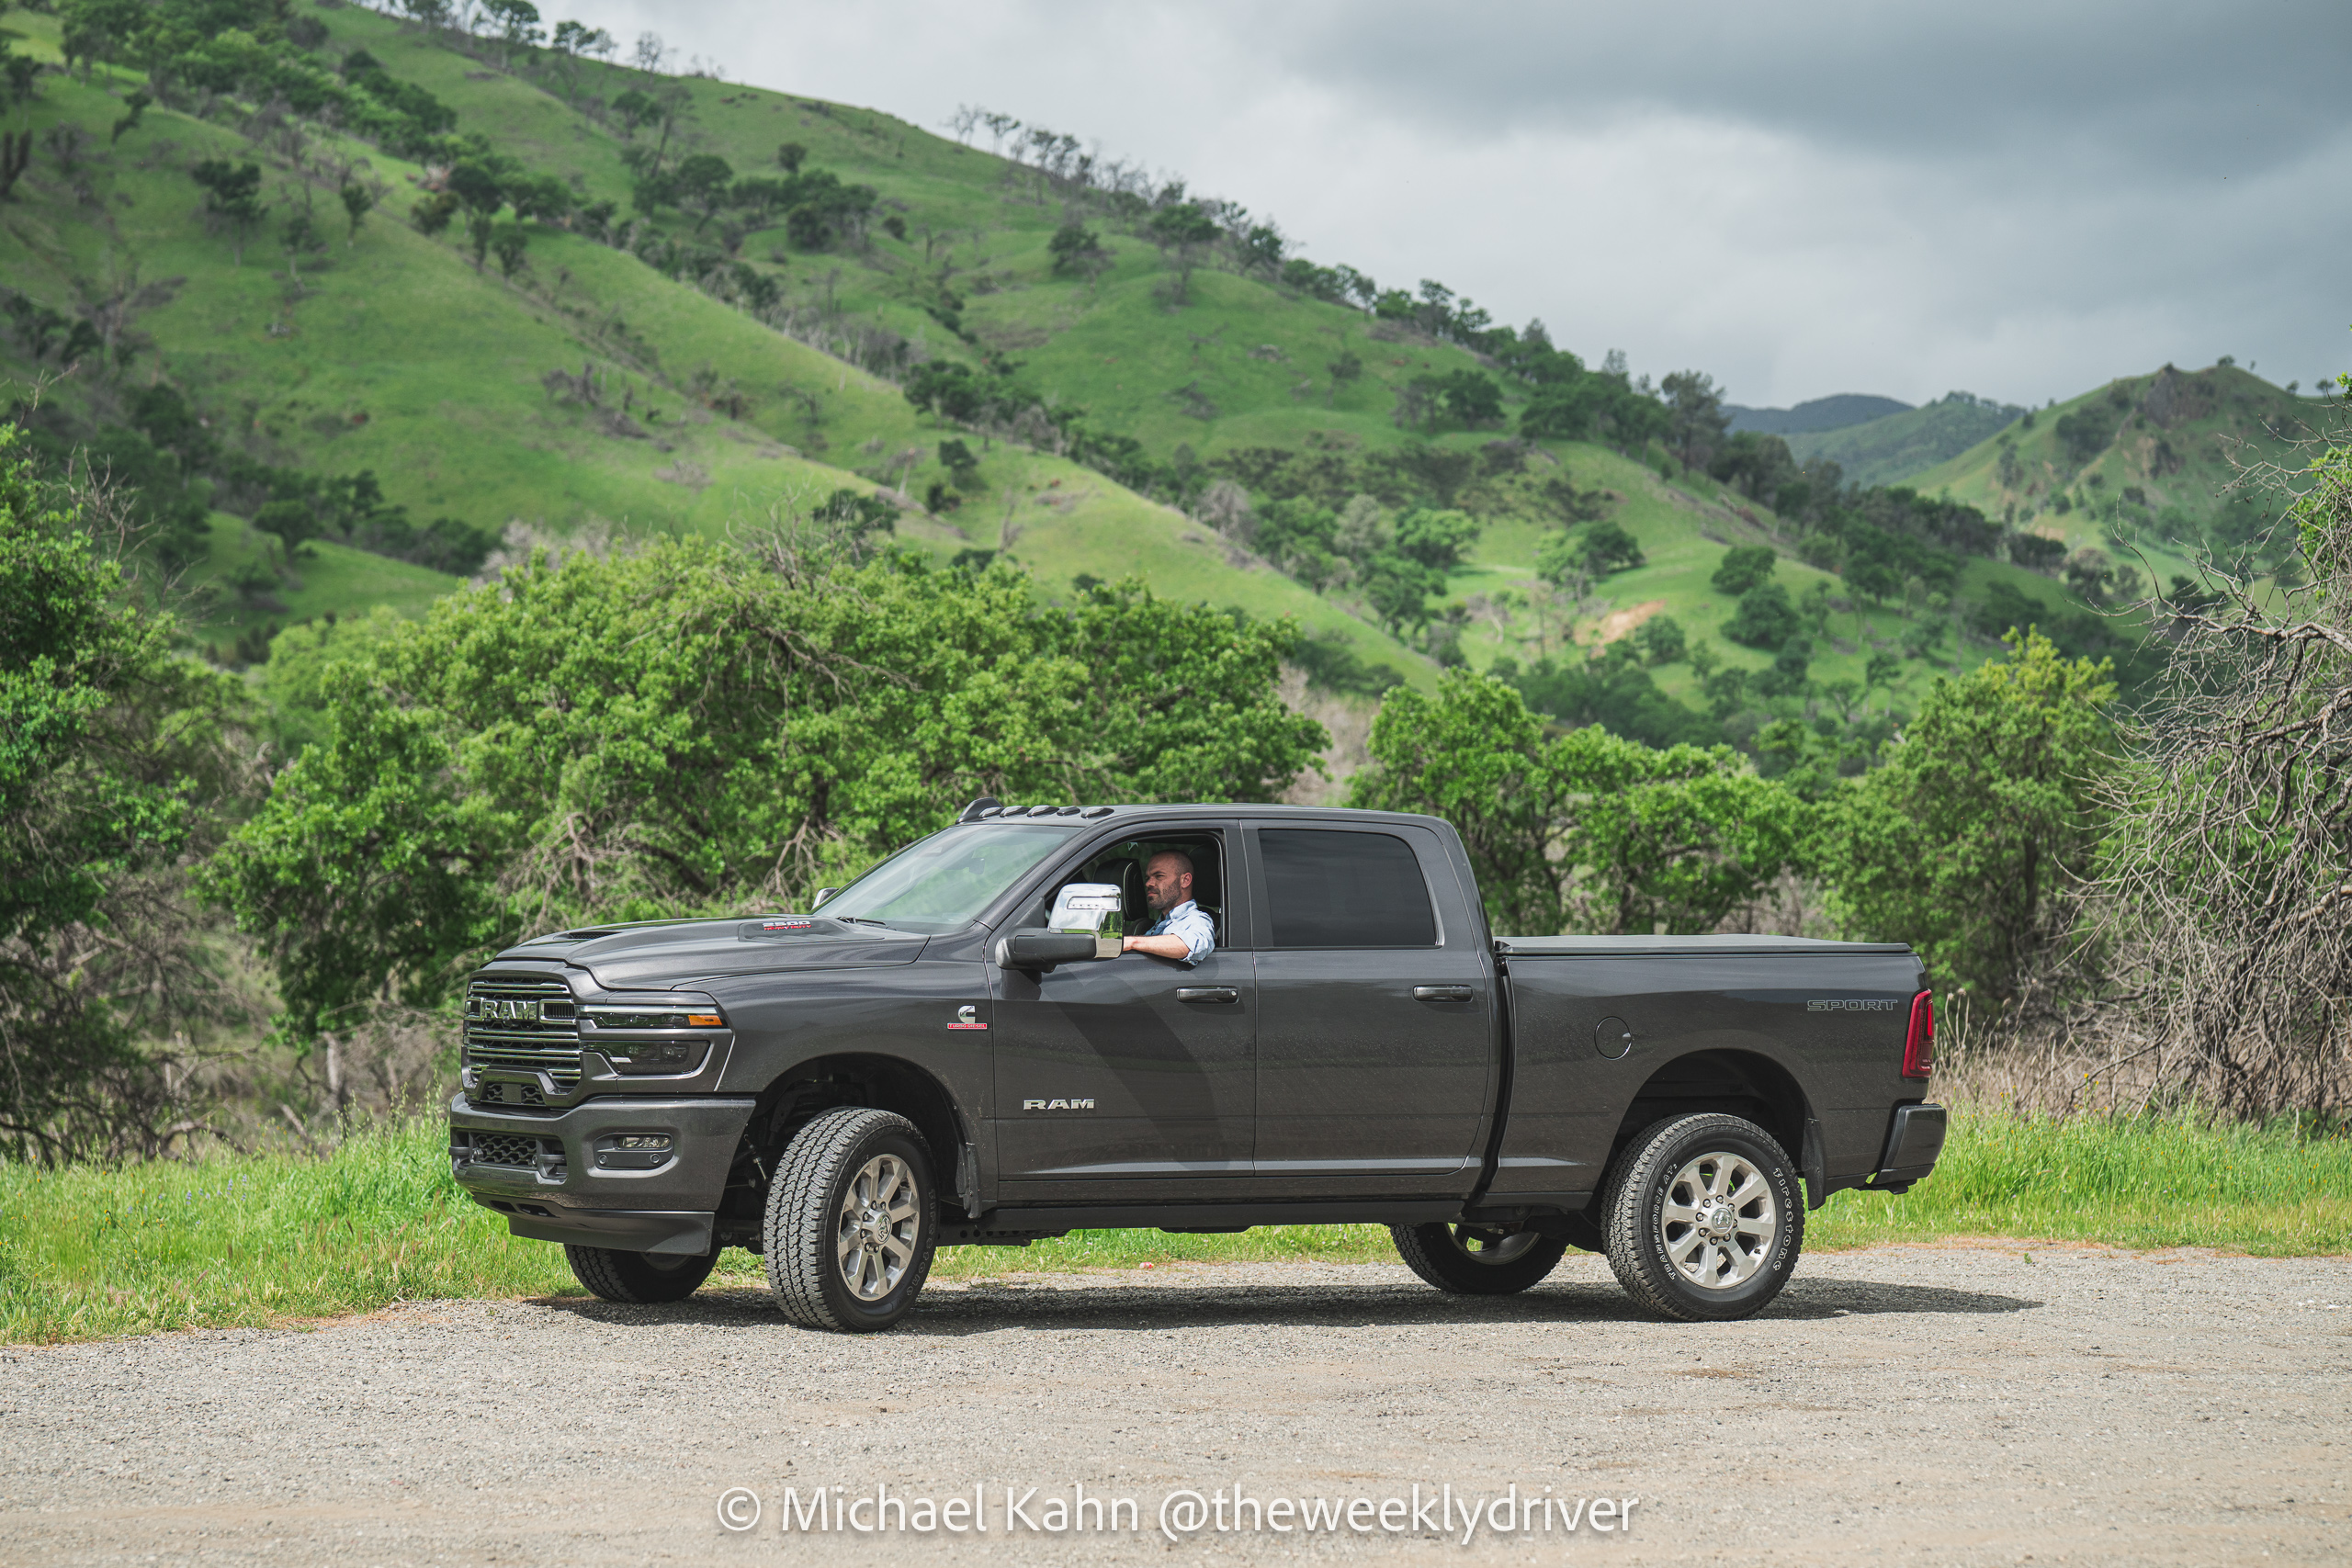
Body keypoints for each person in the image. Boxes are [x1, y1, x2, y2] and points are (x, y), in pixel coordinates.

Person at [1121, 849, 1215, 964]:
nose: (1148, 883)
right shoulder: (1160, 923)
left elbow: (1191, 944)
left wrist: (1132, 942)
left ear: (1185, 880)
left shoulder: (1197, 920)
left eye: (1159, 876)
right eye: (1148, 878)